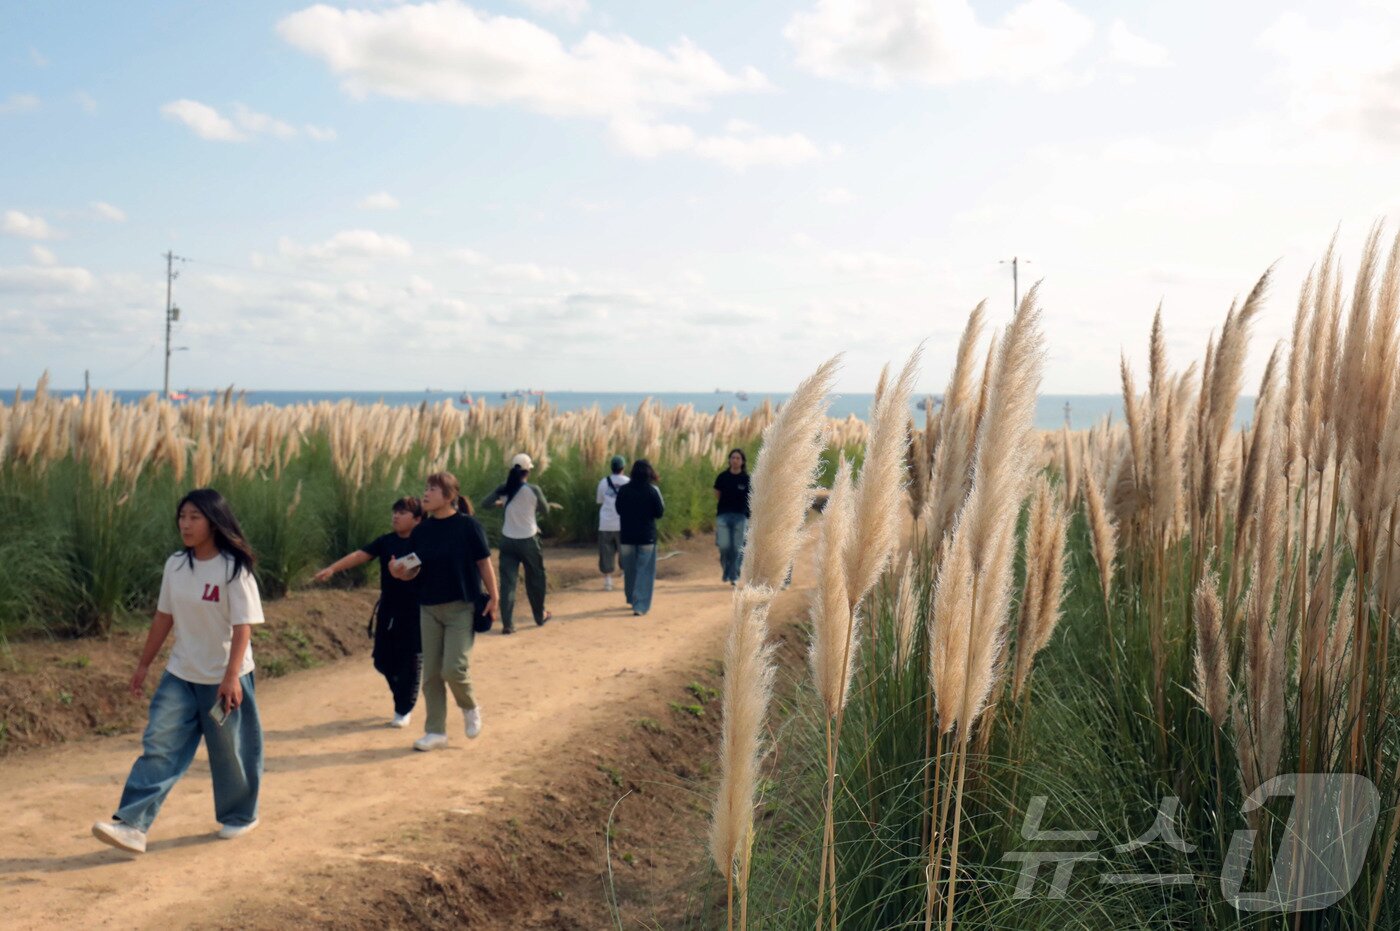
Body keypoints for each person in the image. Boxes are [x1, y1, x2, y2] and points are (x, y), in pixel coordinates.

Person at [91, 488, 265, 855]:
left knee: (230, 752)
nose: (185, 524)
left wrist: (231, 677)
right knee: (160, 743)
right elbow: (163, 617)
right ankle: (132, 825)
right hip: (181, 674)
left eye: (194, 518)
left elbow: (243, 626)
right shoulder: (176, 565)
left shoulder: (234, 568)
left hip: (223, 677)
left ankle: (241, 815)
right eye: (182, 517)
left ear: (213, 522)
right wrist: (143, 664)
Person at [390, 471, 499, 751]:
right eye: (426, 488)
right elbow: (413, 569)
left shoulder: (468, 526)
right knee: (431, 675)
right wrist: (399, 572)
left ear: (449, 496)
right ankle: (435, 732)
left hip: (461, 607)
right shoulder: (422, 531)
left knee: (453, 668)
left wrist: (494, 597)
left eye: (433, 489)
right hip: (428, 607)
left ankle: (470, 707)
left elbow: (484, 563)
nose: (425, 493)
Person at [314, 497, 424, 728]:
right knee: (382, 661)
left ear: (417, 519)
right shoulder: (386, 541)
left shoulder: (424, 542)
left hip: (415, 611)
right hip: (388, 608)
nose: (395, 516)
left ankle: (404, 708)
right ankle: (402, 697)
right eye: (394, 512)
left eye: (402, 513)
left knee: (410, 661)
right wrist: (332, 568)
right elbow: (359, 555)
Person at [481, 453, 553, 634]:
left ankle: (508, 624)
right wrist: (534, 507)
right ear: (528, 471)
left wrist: (500, 503)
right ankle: (539, 615)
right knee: (535, 579)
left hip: (507, 540)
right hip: (528, 539)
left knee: (508, 583)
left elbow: (485, 503)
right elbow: (546, 510)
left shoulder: (504, 488)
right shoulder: (534, 490)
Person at [614, 459, 665, 616]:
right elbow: (659, 512)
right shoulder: (653, 490)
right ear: (650, 473)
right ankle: (640, 605)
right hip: (646, 537)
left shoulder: (623, 490)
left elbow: (618, 509)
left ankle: (631, 598)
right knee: (645, 571)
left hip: (627, 536)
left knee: (630, 570)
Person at [713, 448, 751, 586]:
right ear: (729, 460)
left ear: (742, 461)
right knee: (724, 546)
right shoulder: (722, 477)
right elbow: (717, 494)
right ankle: (727, 570)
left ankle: (734, 575)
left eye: (738, 458)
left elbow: (751, 498)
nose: (735, 460)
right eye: (733, 457)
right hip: (723, 515)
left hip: (741, 516)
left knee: (737, 547)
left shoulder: (747, 479)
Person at [595, 455, 630, 591]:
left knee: (606, 552)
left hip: (606, 523)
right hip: (624, 523)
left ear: (611, 467)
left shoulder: (603, 482)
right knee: (625, 551)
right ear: (623, 467)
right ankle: (626, 576)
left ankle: (608, 581)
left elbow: (600, 501)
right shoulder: (628, 482)